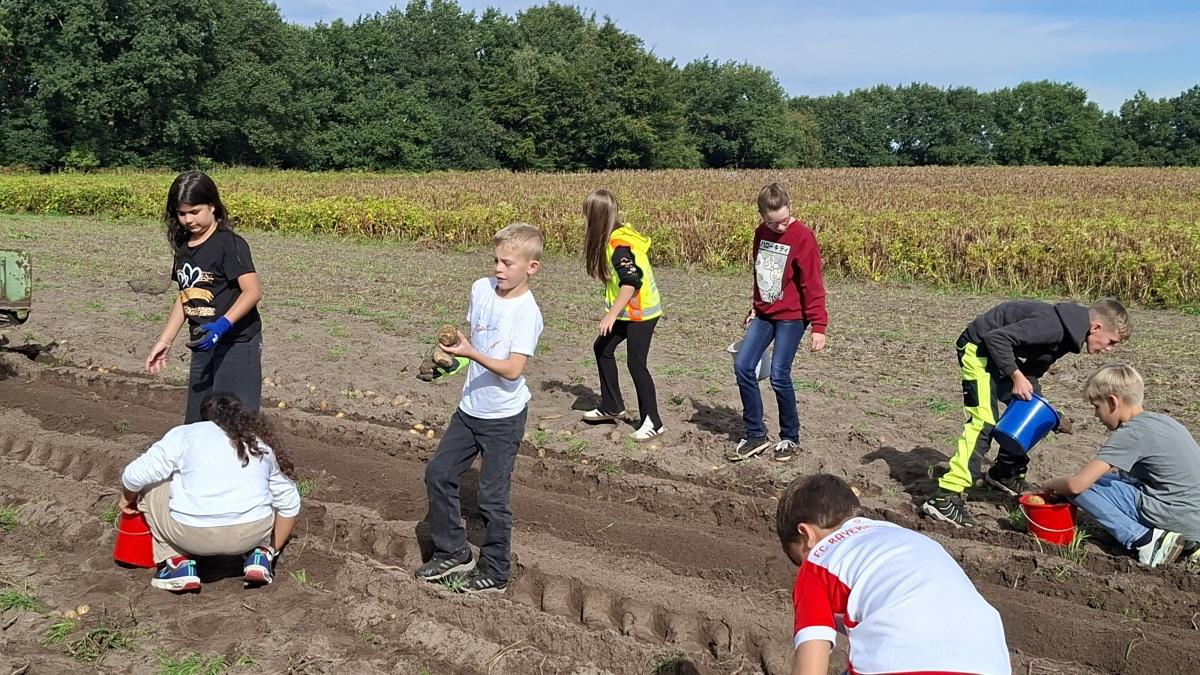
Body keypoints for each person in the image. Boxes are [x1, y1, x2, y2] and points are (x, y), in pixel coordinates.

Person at [922, 298, 1131, 528]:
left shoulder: (1065, 339)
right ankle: (946, 496)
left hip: (997, 356)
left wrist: (1044, 408)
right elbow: (996, 339)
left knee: (1035, 412)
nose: (1109, 349)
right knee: (983, 421)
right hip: (978, 349)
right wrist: (1015, 376)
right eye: (1111, 342)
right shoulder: (1051, 326)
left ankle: (1004, 473)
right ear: (1096, 328)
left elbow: (1031, 372)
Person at [416, 223, 544, 594]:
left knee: (491, 495)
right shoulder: (481, 289)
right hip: (470, 409)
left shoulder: (526, 313)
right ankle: (453, 551)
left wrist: (469, 353)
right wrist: (448, 361)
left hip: (503, 416)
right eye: (495, 261)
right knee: (438, 474)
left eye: (506, 263)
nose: (498, 269)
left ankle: (496, 571)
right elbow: (472, 344)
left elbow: (512, 370)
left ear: (531, 267)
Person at [777, 473, 1011, 675]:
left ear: (806, 535)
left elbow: (810, 668)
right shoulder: (910, 540)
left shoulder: (819, 560)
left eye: (800, 559)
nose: (804, 566)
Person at [119, 394, 300, 593]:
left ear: (203, 415)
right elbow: (290, 502)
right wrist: (272, 547)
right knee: (274, 493)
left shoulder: (185, 434)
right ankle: (261, 555)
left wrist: (128, 498)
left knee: (150, 485)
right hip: (251, 534)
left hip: (191, 535)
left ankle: (177, 564)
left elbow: (133, 475)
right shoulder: (257, 442)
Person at [1041, 364, 1200, 567]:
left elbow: (1076, 485)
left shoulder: (1130, 433)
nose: (1096, 416)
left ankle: (1144, 541)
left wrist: (1053, 484)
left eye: (1096, 407)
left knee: (1078, 487)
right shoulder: (1163, 421)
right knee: (1102, 480)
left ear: (1112, 402)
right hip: (1194, 519)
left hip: (1175, 515)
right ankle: (1188, 543)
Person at [144, 171, 264, 424]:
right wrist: (165, 340)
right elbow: (185, 295)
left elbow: (252, 291)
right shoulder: (184, 248)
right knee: (196, 423)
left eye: (194, 211)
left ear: (212, 206)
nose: (188, 220)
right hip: (203, 345)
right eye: (181, 213)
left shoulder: (229, 244)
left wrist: (223, 325)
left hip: (236, 344)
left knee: (234, 426)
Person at [726, 183, 827, 464]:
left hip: (793, 316)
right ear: (762, 217)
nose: (780, 227)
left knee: (780, 374)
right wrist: (755, 308)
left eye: (784, 220)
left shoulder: (803, 237)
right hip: (766, 313)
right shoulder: (761, 234)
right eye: (773, 222)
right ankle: (755, 434)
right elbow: (763, 274)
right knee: (743, 365)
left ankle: (789, 438)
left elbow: (813, 284)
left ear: (790, 208)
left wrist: (819, 326)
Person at [579, 189, 664, 441]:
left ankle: (654, 421)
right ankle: (612, 405)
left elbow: (631, 281)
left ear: (596, 217)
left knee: (636, 363)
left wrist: (610, 316)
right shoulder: (614, 238)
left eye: (587, 215)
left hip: (641, 313)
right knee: (602, 348)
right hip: (629, 312)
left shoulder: (618, 246)